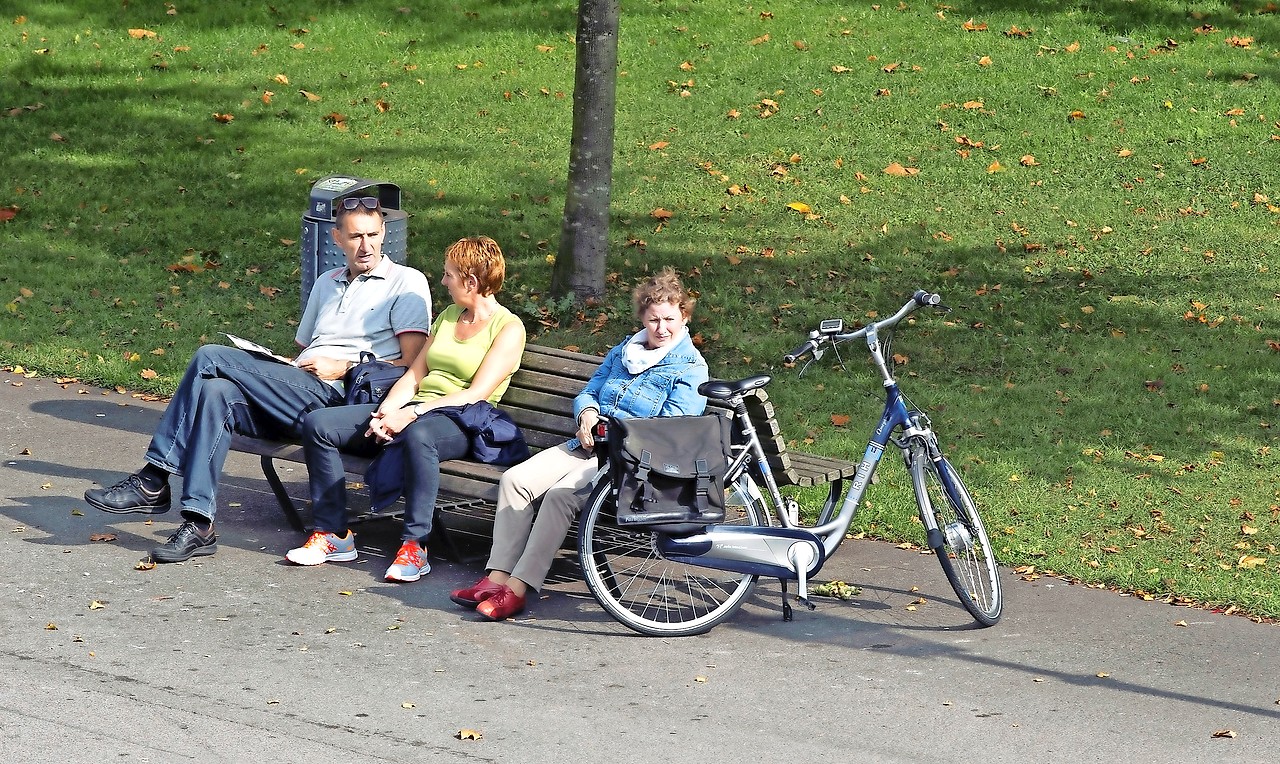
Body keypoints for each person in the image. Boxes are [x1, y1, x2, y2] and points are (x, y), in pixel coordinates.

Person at [84, 197, 433, 562]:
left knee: (209, 357)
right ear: (336, 238)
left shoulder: (405, 282)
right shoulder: (326, 283)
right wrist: (281, 364)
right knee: (217, 392)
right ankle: (199, 524)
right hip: (298, 389)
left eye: (373, 235)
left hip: (340, 402)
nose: (366, 245)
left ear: (384, 233)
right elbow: (304, 347)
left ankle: (153, 478)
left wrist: (343, 366)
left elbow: (410, 365)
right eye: (356, 236)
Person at [452, 267, 708, 621]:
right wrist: (586, 414)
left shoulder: (690, 368)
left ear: (684, 317)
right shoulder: (625, 351)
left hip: (629, 460)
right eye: (653, 320)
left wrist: (614, 433)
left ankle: (518, 589)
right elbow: (590, 390)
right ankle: (496, 578)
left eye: (669, 319)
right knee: (516, 481)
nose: (661, 328)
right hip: (587, 444)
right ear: (642, 319)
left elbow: (669, 428)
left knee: (560, 497)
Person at [285, 235, 526, 583]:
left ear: (471, 282)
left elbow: (476, 393)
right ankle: (334, 534)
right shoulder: (447, 316)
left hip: (460, 420)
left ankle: (415, 545)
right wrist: (386, 412)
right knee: (319, 425)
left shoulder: (508, 327)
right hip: (415, 409)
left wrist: (411, 414)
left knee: (421, 435)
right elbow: (414, 375)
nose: (443, 281)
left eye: (449, 275)